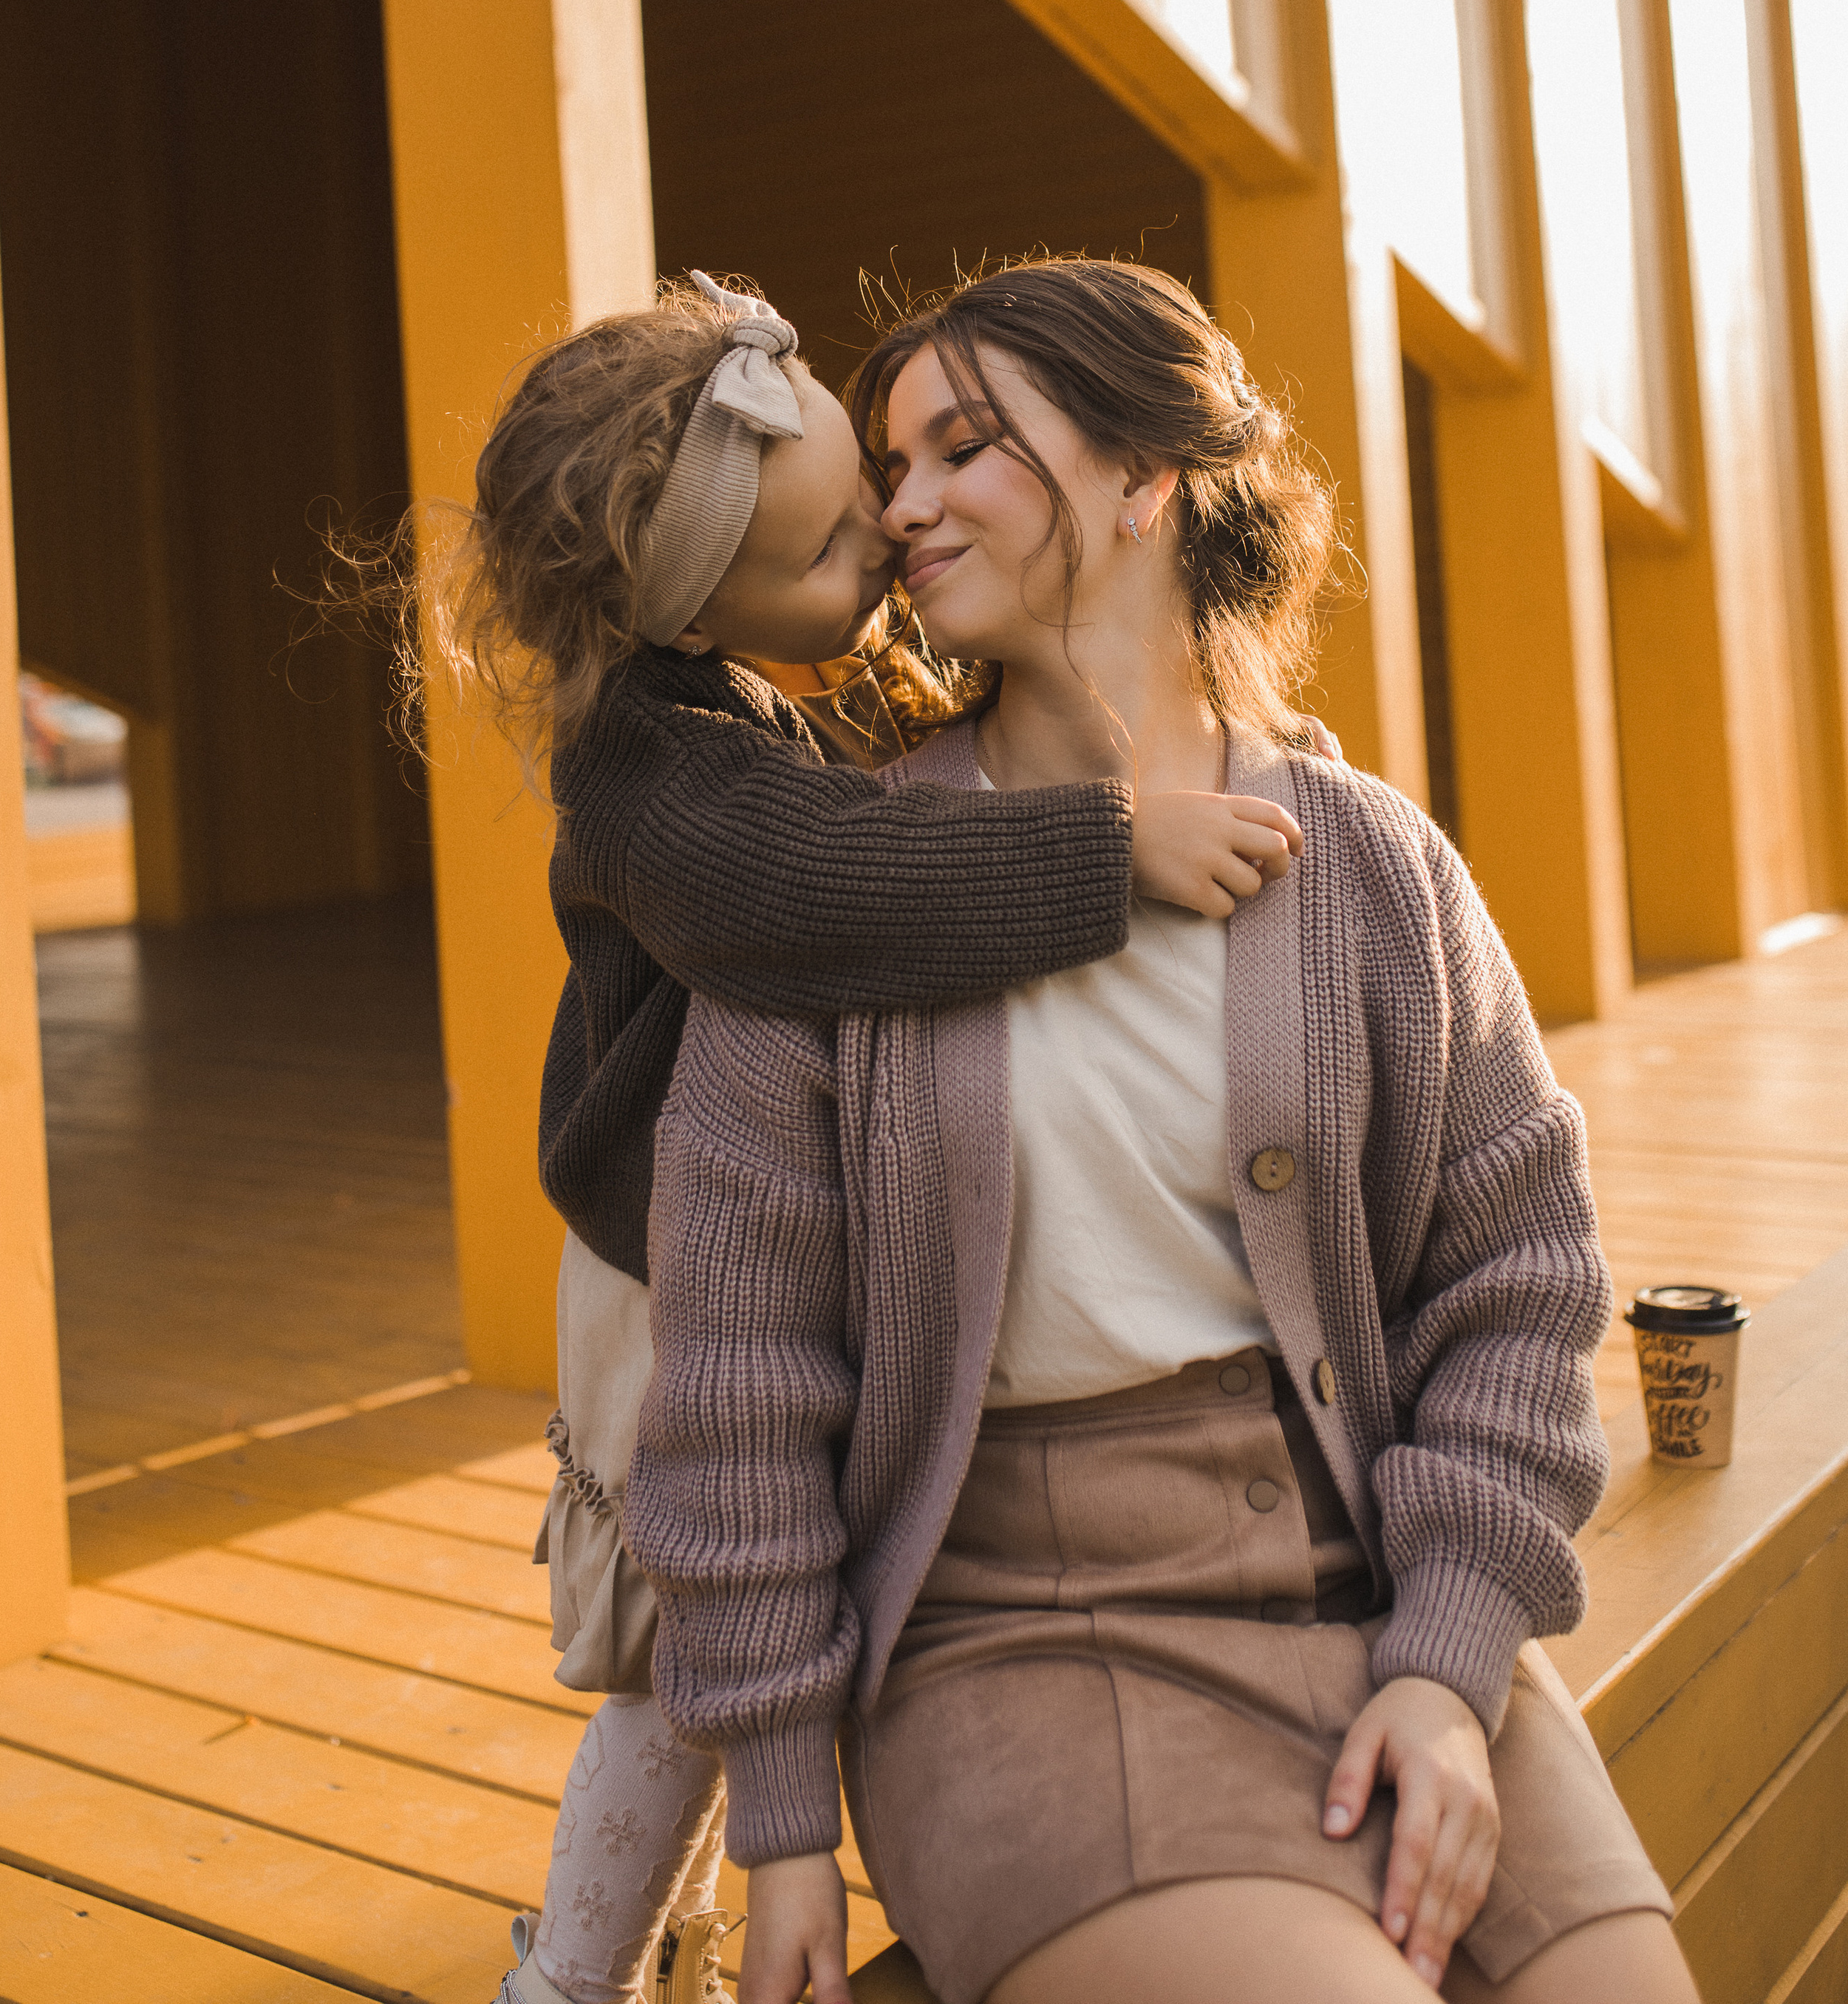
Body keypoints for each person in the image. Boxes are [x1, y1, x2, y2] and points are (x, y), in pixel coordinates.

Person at [624, 257, 1694, 2004]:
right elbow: (738, 1380)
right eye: (890, 467)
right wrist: (781, 1817)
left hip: (1380, 1591)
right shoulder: (837, 887)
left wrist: (1442, 1661)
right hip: (1023, 1643)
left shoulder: (1368, 865)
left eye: (961, 448)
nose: (901, 508)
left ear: (1142, 480)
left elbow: (1514, 1286)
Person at [395, 272, 1313, 2004]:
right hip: (673, 1242)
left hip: (766, 1206)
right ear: (694, 612)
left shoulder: (742, 690)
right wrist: (1103, 849)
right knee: (693, 1627)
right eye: (832, 547)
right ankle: (576, 1971)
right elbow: (827, 885)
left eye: (873, 494)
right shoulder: (651, 777)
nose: (887, 546)